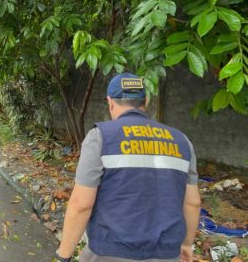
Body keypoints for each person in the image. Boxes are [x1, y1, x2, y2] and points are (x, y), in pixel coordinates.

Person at [55, 73, 201, 262]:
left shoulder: (100, 136)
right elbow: (193, 203)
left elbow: (81, 204)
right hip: (167, 254)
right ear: (145, 101)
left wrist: (63, 256)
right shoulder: (182, 141)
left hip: (109, 252)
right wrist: (186, 244)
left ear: (110, 102)